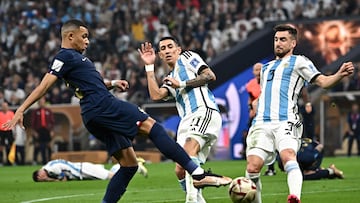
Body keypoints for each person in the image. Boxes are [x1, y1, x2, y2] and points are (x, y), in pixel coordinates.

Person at [1, 19, 231, 203]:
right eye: (84, 37)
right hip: (103, 106)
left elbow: (87, 83)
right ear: (70, 37)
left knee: (129, 165)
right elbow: (44, 85)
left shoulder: (76, 59)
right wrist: (21, 109)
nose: (87, 41)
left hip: (93, 113)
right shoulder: (64, 57)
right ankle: (198, 173)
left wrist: (111, 83)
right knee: (153, 127)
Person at [245, 24, 354, 203]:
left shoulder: (300, 62)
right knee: (252, 168)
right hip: (261, 123)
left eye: (283, 40)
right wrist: (255, 104)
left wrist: (339, 74)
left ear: (293, 43)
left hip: (286, 121)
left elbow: (323, 82)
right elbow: (265, 94)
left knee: (288, 156)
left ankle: (295, 197)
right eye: (276, 39)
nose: (278, 43)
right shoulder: (266, 69)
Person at [138, 36, 225, 203]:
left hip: (203, 112)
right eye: (163, 49)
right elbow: (156, 95)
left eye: (170, 46)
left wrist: (182, 84)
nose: (167, 50)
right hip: (186, 121)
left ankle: (191, 200)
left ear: (178, 50)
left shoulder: (187, 58)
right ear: (160, 55)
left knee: (187, 155)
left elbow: (209, 75)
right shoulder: (171, 77)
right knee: (180, 169)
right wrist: (149, 66)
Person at [246, 62, 277, 176]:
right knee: (253, 138)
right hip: (256, 116)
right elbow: (250, 99)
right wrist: (251, 109)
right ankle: (253, 164)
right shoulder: (250, 85)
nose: (258, 72)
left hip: (270, 114)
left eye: (260, 69)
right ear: (253, 72)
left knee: (271, 139)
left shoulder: (270, 82)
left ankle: (272, 167)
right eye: (256, 70)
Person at [277, 138, 344, 180]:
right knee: (298, 176)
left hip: (313, 152)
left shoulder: (305, 158)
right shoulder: (282, 159)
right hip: (307, 152)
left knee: (304, 176)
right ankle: (329, 171)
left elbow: (319, 147)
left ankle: (327, 171)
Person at [32, 158, 149, 182]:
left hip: (85, 170)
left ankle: (136, 165)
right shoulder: (48, 166)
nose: (41, 177)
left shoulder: (52, 169)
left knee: (113, 177)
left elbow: (63, 178)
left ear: (40, 171)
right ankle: (132, 163)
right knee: (111, 174)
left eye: (40, 175)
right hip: (84, 168)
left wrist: (49, 180)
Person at [31, 96, 55, 165]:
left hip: (47, 130)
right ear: (38, 103)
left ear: (45, 102)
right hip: (39, 131)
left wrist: (51, 131)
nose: (41, 103)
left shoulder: (48, 111)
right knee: (40, 146)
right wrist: (34, 131)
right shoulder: (35, 112)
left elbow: (52, 122)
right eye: (40, 102)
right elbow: (33, 122)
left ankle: (50, 160)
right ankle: (41, 161)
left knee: (48, 145)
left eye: (42, 101)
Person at [0, 102, 15, 166]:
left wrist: (15, 133)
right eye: (3, 106)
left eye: (6, 106)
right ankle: (1, 161)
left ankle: (10, 161)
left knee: (10, 147)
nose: (5, 107)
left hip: (9, 131)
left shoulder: (11, 113)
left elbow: (14, 122)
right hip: (1, 131)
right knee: (1, 147)